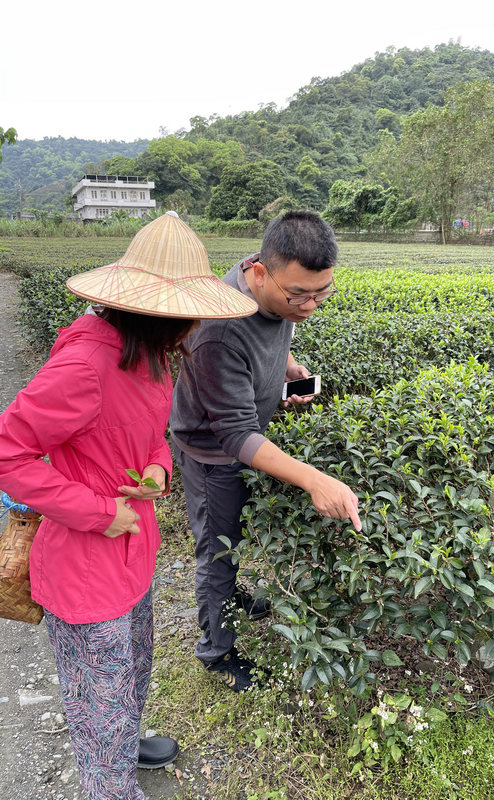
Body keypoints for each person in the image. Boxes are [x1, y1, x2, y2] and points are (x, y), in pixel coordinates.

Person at [0, 211, 257, 800]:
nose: (197, 325)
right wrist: (97, 511)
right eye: (190, 313)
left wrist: (158, 469)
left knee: (130, 669)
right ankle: (108, 785)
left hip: (131, 548)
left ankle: (123, 743)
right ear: (155, 312)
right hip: (84, 561)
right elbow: (8, 453)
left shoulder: (152, 357)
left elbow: (146, 436)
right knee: (98, 696)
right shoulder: (83, 367)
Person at [170, 210, 362, 692]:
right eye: (298, 294)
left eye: (322, 292)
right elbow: (234, 434)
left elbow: (274, 331)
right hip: (213, 452)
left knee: (230, 542)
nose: (310, 305)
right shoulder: (218, 326)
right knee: (217, 551)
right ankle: (216, 651)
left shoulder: (273, 290)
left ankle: (233, 594)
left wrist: (286, 372)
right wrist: (314, 478)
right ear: (259, 273)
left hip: (246, 432)